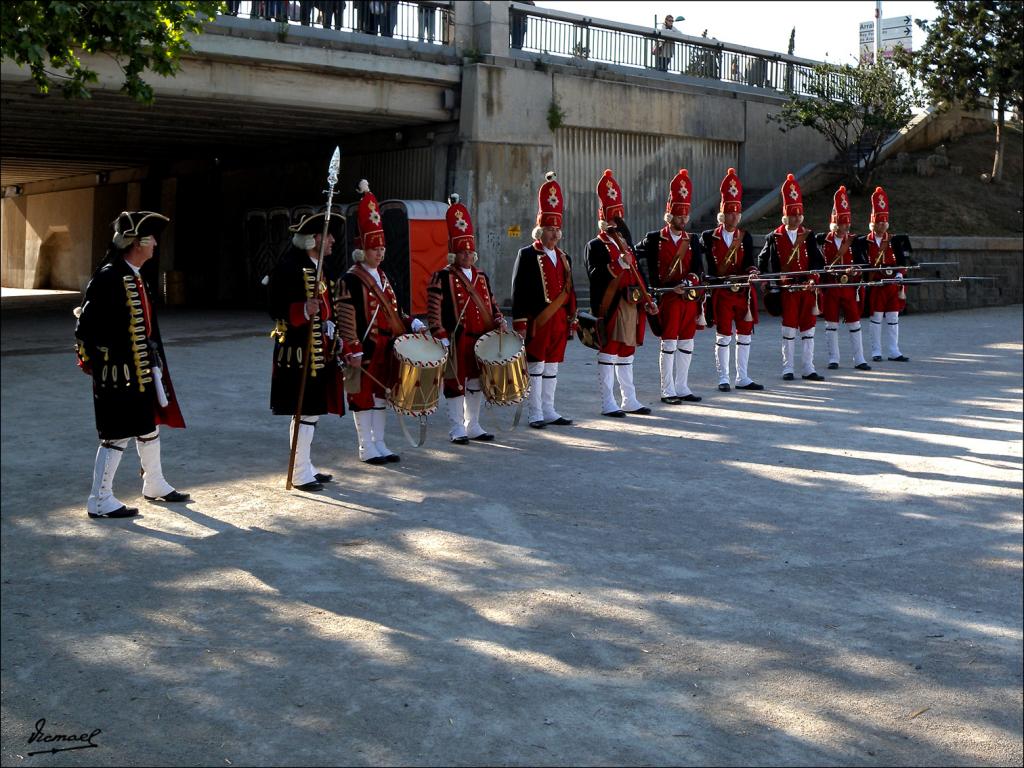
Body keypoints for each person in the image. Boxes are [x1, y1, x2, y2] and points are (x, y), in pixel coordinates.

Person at [74, 211, 188, 519]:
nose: (156, 245)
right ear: (137, 242)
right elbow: (86, 328)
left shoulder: (133, 274)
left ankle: (154, 483)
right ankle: (99, 499)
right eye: (152, 239)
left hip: (140, 370)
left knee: (146, 427)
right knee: (116, 435)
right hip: (118, 375)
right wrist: (107, 360)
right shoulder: (109, 276)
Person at [337, 180, 427, 464]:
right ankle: (366, 447)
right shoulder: (351, 278)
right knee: (362, 397)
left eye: (382, 247)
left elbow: (394, 311)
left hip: (387, 347)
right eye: (375, 248)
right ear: (362, 249)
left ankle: (380, 443)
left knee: (381, 396)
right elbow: (346, 315)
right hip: (365, 347)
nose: (380, 253)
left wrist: (411, 322)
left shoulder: (384, 277)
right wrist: (351, 347)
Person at [267, 211, 345, 492]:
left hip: (318, 349)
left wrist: (329, 324)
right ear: (313, 238)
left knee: (311, 412)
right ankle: (299, 472)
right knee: (304, 410)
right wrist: (301, 310)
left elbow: (327, 304)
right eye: (328, 235)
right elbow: (273, 306)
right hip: (298, 352)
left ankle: (305, 465)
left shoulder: (320, 266)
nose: (333, 240)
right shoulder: (289, 266)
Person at [427, 195, 505, 444]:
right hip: (456, 338)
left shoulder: (481, 276)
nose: (467, 256)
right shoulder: (443, 276)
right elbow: (433, 308)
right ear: (454, 253)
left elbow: (491, 303)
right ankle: (456, 428)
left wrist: (499, 320)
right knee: (455, 384)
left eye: (470, 251)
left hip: (481, 339)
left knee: (475, 382)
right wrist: (439, 333)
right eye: (462, 252)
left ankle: (473, 425)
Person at [586, 169, 659, 418]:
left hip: (632, 302)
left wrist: (648, 298)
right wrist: (618, 264)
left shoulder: (626, 243)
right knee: (610, 350)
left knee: (628, 351)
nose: (616, 222)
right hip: (612, 303)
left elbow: (640, 274)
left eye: (618, 216)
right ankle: (608, 401)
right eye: (612, 217)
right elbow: (595, 275)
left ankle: (629, 398)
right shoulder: (595, 245)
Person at [510, 171, 577, 429]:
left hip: (558, 321)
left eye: (557, 229)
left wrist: (572, 316)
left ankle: (549, 408)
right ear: (540, 230)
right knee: (536, 366)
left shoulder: (563, 256)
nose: (554, 234)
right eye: (550, 229)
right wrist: (521, 324)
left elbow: (568, 290)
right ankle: (535, 411)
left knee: (552, 367)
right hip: (538, 321)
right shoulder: (527, 254)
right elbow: (519, 291)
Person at [636, 168, 705, 404]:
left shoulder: (692, 240)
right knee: (669, 343)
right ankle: (667, 390)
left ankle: (683, 386)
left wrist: (689, 282)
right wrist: (650, 289)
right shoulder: (654, 238)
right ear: (670, 215)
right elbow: (637, 261)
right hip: (667, 299)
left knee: (687, 342)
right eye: (679, 215)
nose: (684, 219)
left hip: (687, 299)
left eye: (686, 215)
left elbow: (699, 269)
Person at [700, 168, 764, 392]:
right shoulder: (709, 236)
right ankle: (724, 377)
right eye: (730, 212)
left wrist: (753, 271)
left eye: (737, 212)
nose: (735, 216)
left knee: (745, 333)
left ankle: (743, 377)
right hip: (722, 291)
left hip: (742, 292)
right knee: (724, 334)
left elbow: (749, 260)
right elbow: (705, 263)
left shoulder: (744, 236)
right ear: (722, 214)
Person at [758, 173, 825, 382]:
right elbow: (763, 260)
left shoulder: (809, 235)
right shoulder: (773, 237)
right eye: (792, 214)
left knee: (808, 329)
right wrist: (766, 280)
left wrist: (813, 277)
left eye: (798, 214)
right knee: (788, 330)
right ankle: (787, 368)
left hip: (806, 288)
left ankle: (808, 367)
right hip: (787, 290)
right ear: (785, 215)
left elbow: (817, 260)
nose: (795, 218)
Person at [816, 186, 871, 371]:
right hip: (832, 286)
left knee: (854, 322)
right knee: (831, 323)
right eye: (842, 222)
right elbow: (819, 264)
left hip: (849, 288)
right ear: (835, 223)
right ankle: (834, 358)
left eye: (847, 222)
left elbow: (864, 262)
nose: (846, 226)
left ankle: (860, 358)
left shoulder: (855, 241)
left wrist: (856, 270)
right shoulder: (823, 240)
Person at [855, 186, 911, 363]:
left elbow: (902, 261)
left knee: (893, 317)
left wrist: (899, 275)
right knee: (876, 317)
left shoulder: (893, 239)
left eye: (883, 222)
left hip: (892, 283)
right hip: (876, 283)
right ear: (873, 223)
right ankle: (876, 351)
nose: (881, 225)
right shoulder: (864, 241)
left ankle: (894, 350)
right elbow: (860, 262)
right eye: (878, 222)